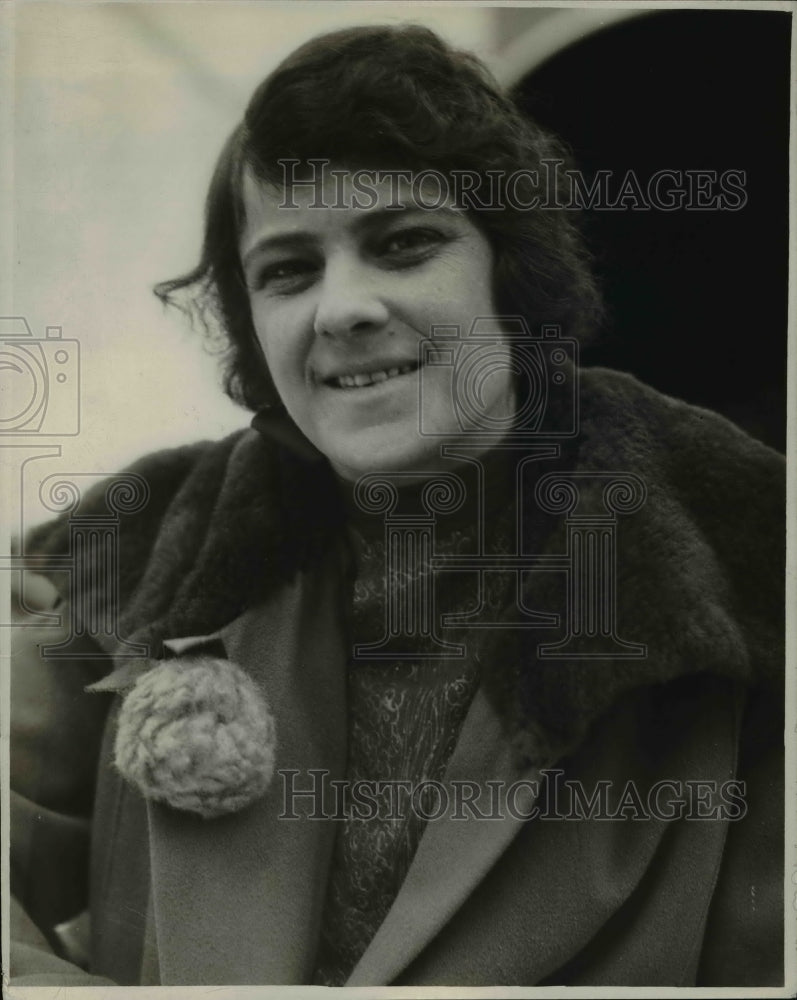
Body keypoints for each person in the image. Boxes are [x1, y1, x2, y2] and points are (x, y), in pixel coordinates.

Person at [10, 24, 785, 988]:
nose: (343, 307)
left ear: (512, 271)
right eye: (288, 269)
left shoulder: (750, 578)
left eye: (404, 243)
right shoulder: (132, 550)